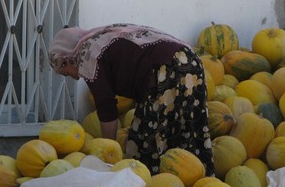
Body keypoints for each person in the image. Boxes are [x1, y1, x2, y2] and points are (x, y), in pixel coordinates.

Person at [48, 23, 214, 176]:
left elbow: (106, 108)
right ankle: (197, 184)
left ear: (66, 60)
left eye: (66, 73)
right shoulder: (102, 35)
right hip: (190, 60)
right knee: (188, 128)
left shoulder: (87, 54)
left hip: (166, 68)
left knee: (145, 146)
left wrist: (108, 151)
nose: (73, 78)